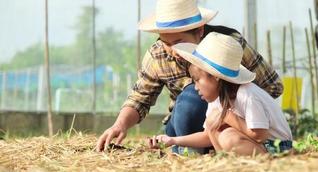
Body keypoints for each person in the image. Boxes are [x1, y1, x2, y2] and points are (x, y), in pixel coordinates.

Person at [96, 0, 284, 154]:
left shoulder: (228, 46)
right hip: (184, 124)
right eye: (165, 42)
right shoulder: (157, 55)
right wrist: (119, 125)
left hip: (231, 127)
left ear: (200, 30)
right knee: (190, 99)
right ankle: (187, 148)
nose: (173, 50)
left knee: (194, 97)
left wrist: (233, 110)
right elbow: (140, 98)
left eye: (178, 42)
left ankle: (201, 149)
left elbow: (272, 87)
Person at [149, 32, 293, 155]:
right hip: (255, 144)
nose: (195, 87)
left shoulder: (246, 94)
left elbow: (260, 135)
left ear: (215, 76)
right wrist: (173, 140)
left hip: (277, 146)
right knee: (218, 129)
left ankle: (263, 160)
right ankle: (226, 159)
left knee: (228, 137)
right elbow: (207, 136)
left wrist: (226, 116)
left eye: (198, 80)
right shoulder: (216, 100)